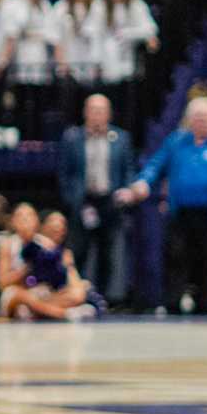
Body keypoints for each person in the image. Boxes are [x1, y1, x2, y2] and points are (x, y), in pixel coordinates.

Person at [119, 96, 207, 315]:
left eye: (205, 118)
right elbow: (155, 165)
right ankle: (173, 303)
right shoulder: (176, 141)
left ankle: (204, 304)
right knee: (176, 257)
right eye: (197, 118)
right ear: (189, 120)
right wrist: (143, 182)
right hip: (181, 213)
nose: (201, 122)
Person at [58, 94, 133, 306]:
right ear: (85, 112)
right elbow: (64, 174)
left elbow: (128, 169)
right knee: (79, 250)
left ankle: (103, 298)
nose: (97, 115)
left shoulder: (121, 138)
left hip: (109, 201)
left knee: (108, 251)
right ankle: (78, 295)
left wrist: (126, 191)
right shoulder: (72, 138)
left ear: (109, 114)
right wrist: (72, 199)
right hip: (83, 202)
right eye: (93, 110)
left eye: (101, 110)